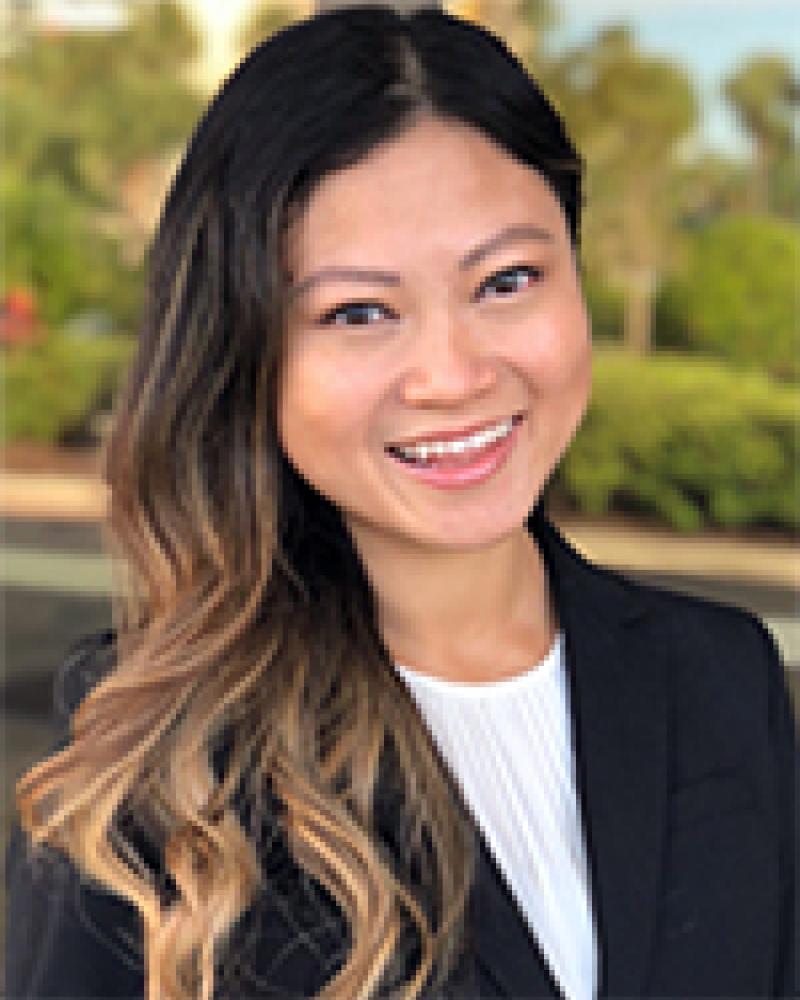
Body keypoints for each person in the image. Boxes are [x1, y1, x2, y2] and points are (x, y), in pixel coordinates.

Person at [5, 6, 797, 1000]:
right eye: (358, 313)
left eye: (505, 280)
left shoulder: (718, 677)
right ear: (247, 351)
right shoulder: (150, 748)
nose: (451, 374)